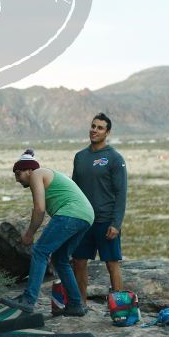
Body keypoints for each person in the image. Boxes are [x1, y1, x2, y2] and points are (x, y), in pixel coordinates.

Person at [0, 149, 94, 315]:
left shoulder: (37, 174)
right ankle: (75, 304)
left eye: (18, 174)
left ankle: (28, 300)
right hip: (86, 216)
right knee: (60, 259)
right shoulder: (46, 175)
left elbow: (39, 209)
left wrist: (29, 234)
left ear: (28, 170)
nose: (17, 179)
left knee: (40, 251)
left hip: (71, 213)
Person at [71, 112, 128, 304]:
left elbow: (121, 193)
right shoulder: (80, 157)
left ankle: (119, 306)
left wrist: (116, 223)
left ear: (107, 132)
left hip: (106, 221)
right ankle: (80, 304)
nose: (94, 130)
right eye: (93, 126)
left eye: (100, 127)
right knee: (78, 262)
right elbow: (74, 190)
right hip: (83, 221)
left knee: (111, 264)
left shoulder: (114, 158)